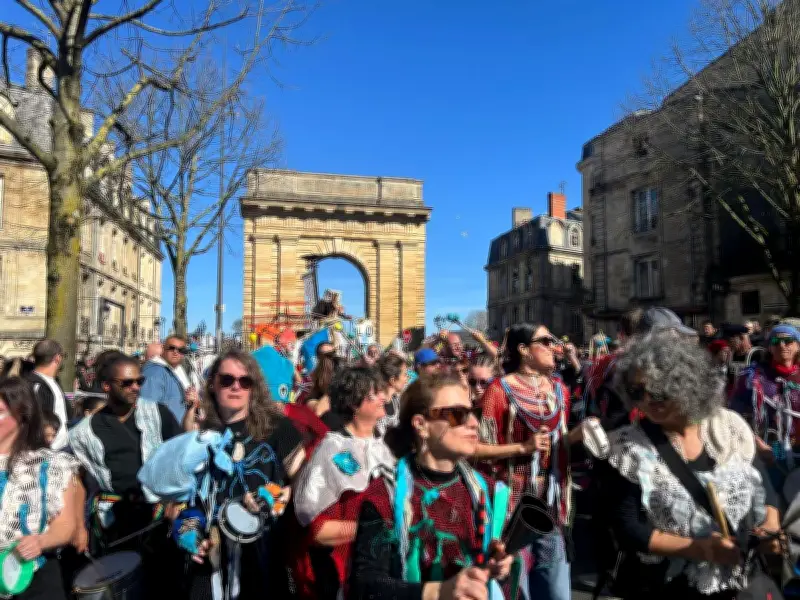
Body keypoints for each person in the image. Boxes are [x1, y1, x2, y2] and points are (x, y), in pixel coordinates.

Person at [601, 331, 780, 599]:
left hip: (744, 581)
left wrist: (770, 527)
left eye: (660, 391)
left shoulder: (728, 427)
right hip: (668, 586)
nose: (649, 400)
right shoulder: (627, 448)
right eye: (637, 392)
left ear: (687, 384)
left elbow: (763, 485)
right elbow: (627, 528)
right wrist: (701, 549)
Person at [349, 373, 513, 599]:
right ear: (421, 425)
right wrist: (439, 592)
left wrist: (499, 566)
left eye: (473, 412)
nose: (474, 423)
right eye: (457, 414)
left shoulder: (488, 491)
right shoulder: (385, 494)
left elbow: (492, 569)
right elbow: (366, 585)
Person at [177, 349, 305, 599]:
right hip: (211, 558)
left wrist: (276, 496)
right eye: (227, 380)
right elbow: (183, 496)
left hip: (263, 555)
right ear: (212, 384)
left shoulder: (278, 428)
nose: (236, 387)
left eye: (245, 381)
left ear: (254, 387)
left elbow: (302, 481)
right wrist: (186, 527)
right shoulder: (201, 434)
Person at [475, 323, 585, 600]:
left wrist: (578, 436)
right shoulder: (498, 391)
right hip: (512, 508)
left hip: (551, 504)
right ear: (523, 350)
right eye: (545, 341)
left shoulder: (560, 390)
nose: (553, 347)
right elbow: (477, 450)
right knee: (517, 586)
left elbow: (556, 445)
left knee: (555, 589)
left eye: (552, 341)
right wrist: (522, 447)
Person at [68, 353, 182, 584]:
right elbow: (77, 480)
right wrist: (79, 525)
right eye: (127, 383)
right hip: (114, 521)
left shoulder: (158, 414)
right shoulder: (83, 433)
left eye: (140, 381)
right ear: (107, 386)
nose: (136, 387)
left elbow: (179, 458)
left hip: (158, 517)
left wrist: (175, 501)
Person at [292, 367, 395, 600]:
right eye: (374, 393)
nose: (383, 398)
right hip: (342, 578)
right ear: (354, 403)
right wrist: (373, 530)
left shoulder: (385, 446)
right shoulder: (331, 449)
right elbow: (316, 530)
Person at [0, 377, 79, 600]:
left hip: (31, 575)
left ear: (22, 416)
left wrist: (40, 541)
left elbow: (65, 525)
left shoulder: (52, 465)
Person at [730, 323, 800, 499]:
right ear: (769, 346)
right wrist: (756, 443)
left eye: (788, 340)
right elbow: (734, 416)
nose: (782, 345)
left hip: (799, 447)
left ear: (798, 345)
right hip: (770, 448)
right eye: (776, 341)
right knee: (772, 502)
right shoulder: (753, 377)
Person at [140, 336, 200, 422]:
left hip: (178, 431)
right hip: (166, 434)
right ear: (163, 350)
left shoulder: (173, 370)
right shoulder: (155, 373)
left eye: (181, 350)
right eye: (171, 348)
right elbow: (147, 413)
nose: (176, 352)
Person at [25, 339, 71, 450]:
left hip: (60, 450)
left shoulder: (53, 382)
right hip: (43, 452)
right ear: (57, 358)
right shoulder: (35, 385)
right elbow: (35, 419)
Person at [375, 353, 409, 437]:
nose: (407, 379)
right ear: (393, 380)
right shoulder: (373, 405)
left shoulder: (398, 402)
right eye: (404, 375)